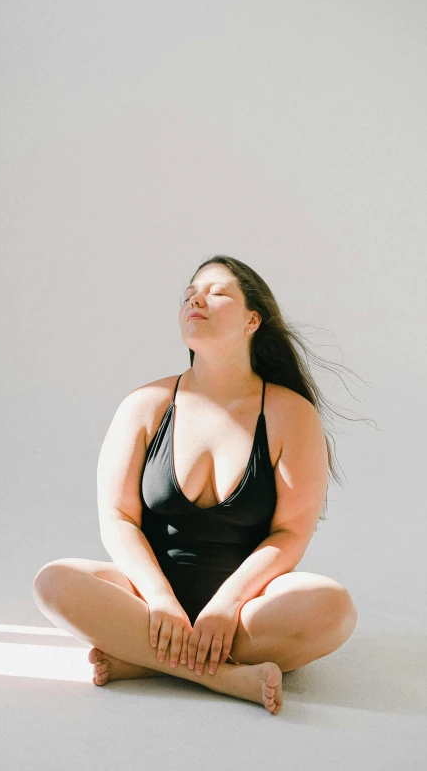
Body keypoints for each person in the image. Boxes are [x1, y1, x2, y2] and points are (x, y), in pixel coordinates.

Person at [32, 255, 358, 715]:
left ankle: (147, 661)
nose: (195, 298)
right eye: (189, 292)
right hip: (143, 601)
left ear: (252, 320)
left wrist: (227, 604)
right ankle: (225, 677)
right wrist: (161, 601)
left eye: (217, 291)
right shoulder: (145, 404)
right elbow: (118, 519)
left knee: (334, 608)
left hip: (246, 610)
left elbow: (290, 534)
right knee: (53, 583)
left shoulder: (291, 415)